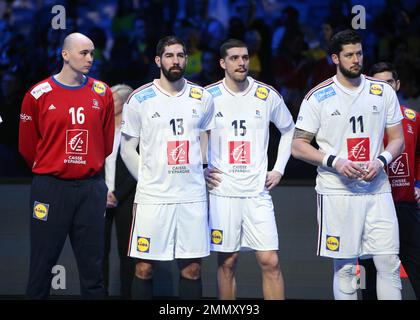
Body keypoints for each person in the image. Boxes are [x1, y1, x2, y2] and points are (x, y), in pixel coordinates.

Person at [291, 30, 405, 300]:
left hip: (377, 189)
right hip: (337, 191)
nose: (356, 59)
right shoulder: (318, 96)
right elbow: (297, 146)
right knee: (346, 269)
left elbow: (397, 139)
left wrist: (381, 161)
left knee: (389, 264)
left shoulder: (382, 91)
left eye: (359, 53)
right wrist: (336, 162)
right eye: (349, 55)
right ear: (335, 58)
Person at [19, 32, 115, 299]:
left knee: (93, 271)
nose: (90, 58)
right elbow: (27, 147)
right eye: (84, 53)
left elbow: (105, 144)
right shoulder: (38, 94)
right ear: (65, 54)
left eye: (92, 53)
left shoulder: (102, 92)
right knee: (41, 268)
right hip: (51, 187)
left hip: (91, 187)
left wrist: (85, 165)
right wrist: (54, 166)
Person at [120, 35, 215, 299]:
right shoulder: (140, 98)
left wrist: (205, 165)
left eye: (180, 55)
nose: (176, 60)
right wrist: (146, 178)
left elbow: (206, 134)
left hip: (191, 197)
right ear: (158, 60)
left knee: (193, 269)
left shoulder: (202, 96)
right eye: (170, 55)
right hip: (153, 197)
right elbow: (127, 147)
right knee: (144, 268)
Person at [204, 39, 295, 300]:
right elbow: (192, 133)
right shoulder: (208, 96)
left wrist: (278, 169)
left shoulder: (266, 95)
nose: (241, 63)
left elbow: (289, 130)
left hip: (257, 192)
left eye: (244, 57)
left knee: (270, 261)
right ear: (223, 63)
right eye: (234, 58)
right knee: (228, 262)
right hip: (223, 192)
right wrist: (201, 168)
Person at [359, 62, 420, 300]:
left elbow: (417, 157)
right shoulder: (360, 120)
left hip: (405, 206)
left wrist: (418, 185)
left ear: (397, 85)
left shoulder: (414, 118)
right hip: (371, 206)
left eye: (389, 83)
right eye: (378, 84)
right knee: (369, 275)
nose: (384, 88)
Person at [103, 84, 136, 299]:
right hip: (100, 198)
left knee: (126, 253)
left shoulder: (133, 131)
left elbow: (138, 168)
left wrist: (118, 194)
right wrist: (103, 192)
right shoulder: (100, 128)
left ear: (123, 104)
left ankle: (127, 295)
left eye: (112, 99)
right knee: (99, 253)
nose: (108, 103)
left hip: (125, 198)